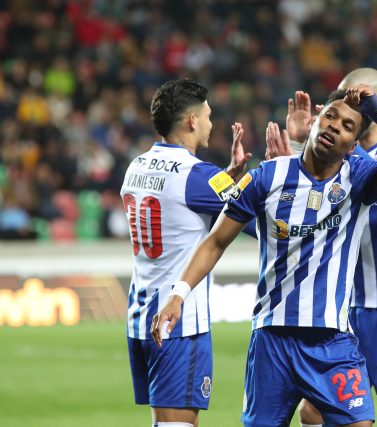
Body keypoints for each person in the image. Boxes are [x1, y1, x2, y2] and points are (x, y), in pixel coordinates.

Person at [151, 84, 377, 427]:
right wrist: (178, 294)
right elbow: (216, 241)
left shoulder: (359, 178)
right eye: (330, 116)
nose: (334, 126)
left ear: (353, 146)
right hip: (272, 340)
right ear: (314, 121)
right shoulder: (267, 176)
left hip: (331, 340)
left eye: (347, 126)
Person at [280, 68, 377, 427]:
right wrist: (302, 147)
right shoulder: (334, 158)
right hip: (345, 307)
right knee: (313, 410)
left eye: (353, 99)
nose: (341, 107)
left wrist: (351, 148)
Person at [121, 78, 252, 427]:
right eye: (207, 116)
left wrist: (226, 180)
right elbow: (257, 222)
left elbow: (179, 204)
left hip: (140, 315)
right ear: (192, 121)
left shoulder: (136, 166)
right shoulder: (197, 175)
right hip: (179, 321)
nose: (210, 123)